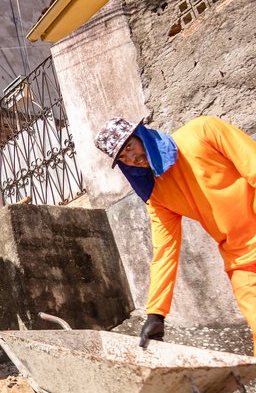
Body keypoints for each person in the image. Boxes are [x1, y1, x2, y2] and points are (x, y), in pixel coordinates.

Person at [94, 116, 256, 350]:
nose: (131, 158)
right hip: (241, 262)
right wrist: (156, 314)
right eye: (122, 158)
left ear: (142, 136)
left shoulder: (203, 131)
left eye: (129, 146)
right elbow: (164, 251)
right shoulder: (158, 196)